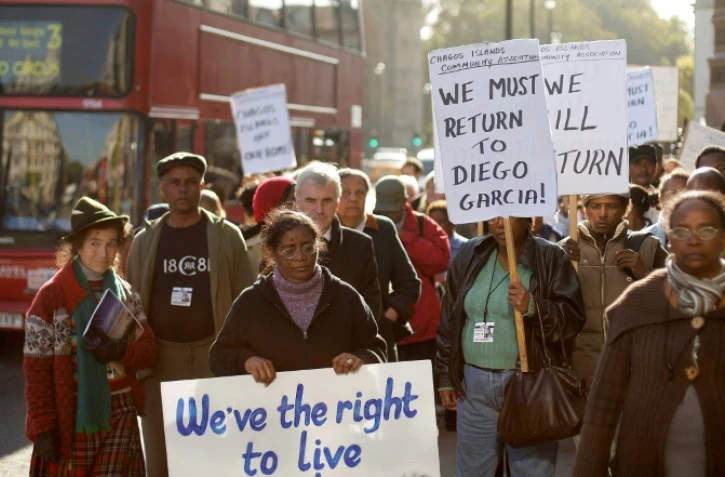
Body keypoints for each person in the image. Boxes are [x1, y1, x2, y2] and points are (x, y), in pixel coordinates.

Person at [574, 191, 725, 476]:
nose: (693, 239)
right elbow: (602, 408)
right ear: (669, 237)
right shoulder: (637, 303)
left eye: (706, 229)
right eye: (681, 230)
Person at [126, 152, 255, 477]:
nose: (182, 189)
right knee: (161, 460)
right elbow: (132, 303)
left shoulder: (227, 236)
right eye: (174, 183)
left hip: (212, 359)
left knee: (211, 459)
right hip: (159, 361)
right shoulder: (144, 241)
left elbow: (246, 300)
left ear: (201, 186)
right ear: (162, 189)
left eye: (189, 182)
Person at [437, 215, 586, 477]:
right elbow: (450, 317)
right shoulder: (472, 252)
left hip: (529, 384)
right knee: (472, 472)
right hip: (473, 385)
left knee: (531, 471)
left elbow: (572, 322)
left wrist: (534, 307)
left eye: (508, 217)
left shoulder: (550, 257)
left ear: (529, 218)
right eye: (493, 217)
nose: (498, 224)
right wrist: (446, 376)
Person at [24, 197, 157, 476]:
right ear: (78, 246)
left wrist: (120, 352)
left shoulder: (126, 293)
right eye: (95, 243)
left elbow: (148, 349)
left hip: (121, 410)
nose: (103, 253)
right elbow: (36, 371)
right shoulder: (51, 297)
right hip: (71, 413)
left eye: (111, 243)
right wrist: (44, 427)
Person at [209, 209, 386, 380]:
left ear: (319, 245)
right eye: (289, 250)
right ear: (272, 252)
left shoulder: (346, 297)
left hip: (337, 405)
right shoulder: (251, 302)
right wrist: (246, 361)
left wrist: (361, 358)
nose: (300, 257)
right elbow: (219, 357)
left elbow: (376, 348)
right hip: (275, 407)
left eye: (308, 247)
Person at [559, 193, 667, 409]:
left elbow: (675, 301)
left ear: (625, 208)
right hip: (581, 373)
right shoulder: (566, 248)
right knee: (588, 440)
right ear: (585, 208)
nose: (603, 214)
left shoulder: (647, 246)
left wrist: (644, 272)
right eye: (596, 206)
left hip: (633, 370)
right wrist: (559, 264)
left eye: (611, 206)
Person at [337, 168, 421, 362]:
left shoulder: (382, 228)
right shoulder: (322, 231)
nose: (353, 198)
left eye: (359, 192)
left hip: (378, 340)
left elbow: (409, 284)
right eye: (345, 192)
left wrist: (387, 317)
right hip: (334, 343)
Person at [374, 175, 450, 362]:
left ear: (404, 203)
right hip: (383, 325)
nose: (387, 215)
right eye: (383, 210)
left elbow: (442, 260)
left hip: (423, 329)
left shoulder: (424, 225)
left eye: (391, 211)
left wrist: (404, 237)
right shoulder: (367, 225)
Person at [295, 162, 382, 320]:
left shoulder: (361, 246)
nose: (319, 210)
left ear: (337, 202)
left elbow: (371, 308)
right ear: (297, 201)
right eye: (311, 201)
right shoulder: (277, 243)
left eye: (327, 200)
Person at [246, 176, 296, 273]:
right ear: (271, 208)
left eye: (299, 200)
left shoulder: (310, 242)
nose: (298, 207)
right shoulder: (247, 250)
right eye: (291, 202)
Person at [644, 169, 690, 246]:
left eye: (685, 193)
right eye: (674, 193)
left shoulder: (700, 238)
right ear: (661, 199)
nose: (680, 197)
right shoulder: (643, 239)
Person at [426, 200, 467, 266]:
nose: (436, 226)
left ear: (452, 222)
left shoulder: (466, 247)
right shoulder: (424, 246)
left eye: (441, 221)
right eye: (433, 222)